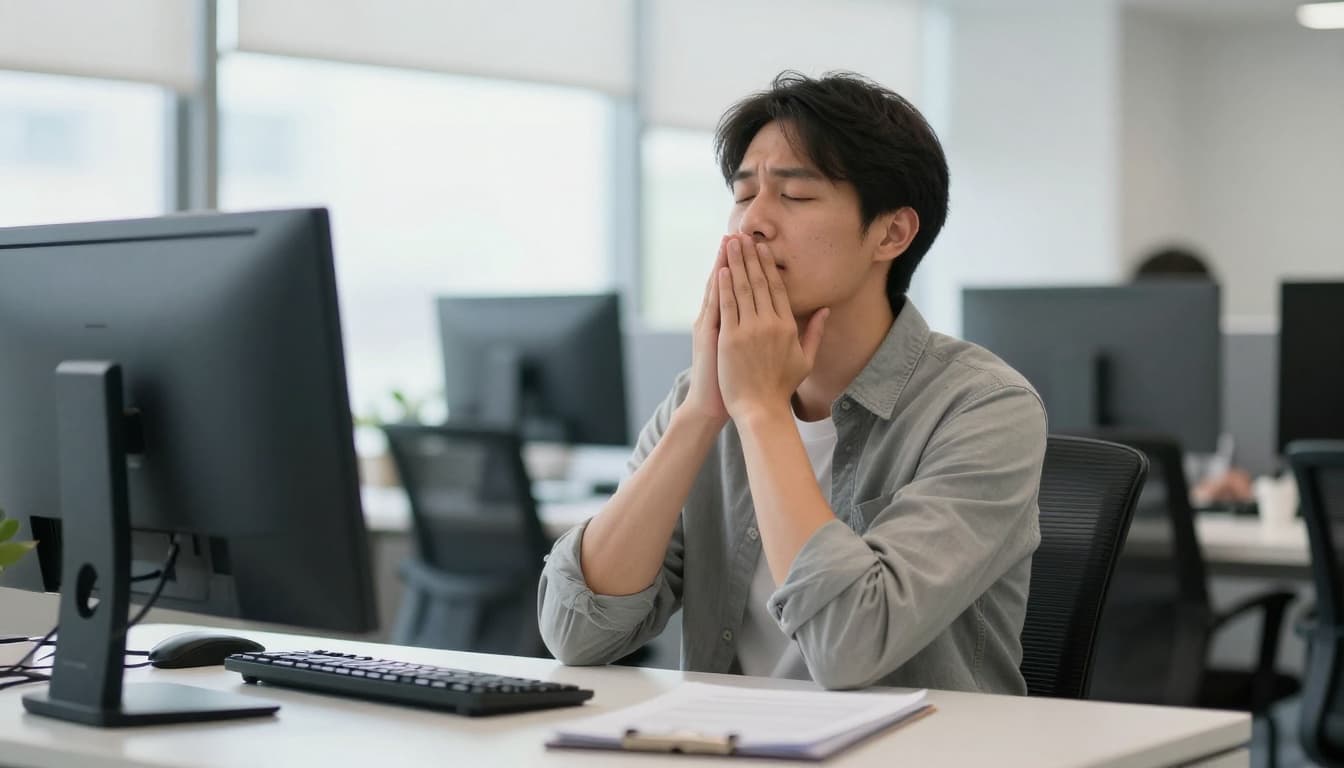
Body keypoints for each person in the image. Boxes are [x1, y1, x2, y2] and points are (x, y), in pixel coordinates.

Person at [537, 71, 1046, 692]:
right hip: (726, 746)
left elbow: (848, 647)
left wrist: (761, 412)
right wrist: (703, 412)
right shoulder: (701, 397)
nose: (753, 223)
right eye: (744, 193)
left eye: (796, 196)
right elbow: (577, 634)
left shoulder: (984, 408)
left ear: (891, 233)